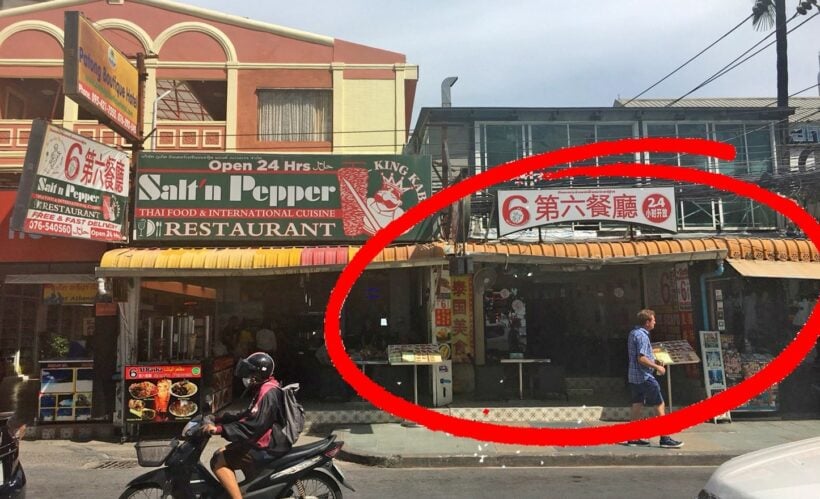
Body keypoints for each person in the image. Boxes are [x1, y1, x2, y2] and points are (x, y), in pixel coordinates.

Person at [203, 352, 292, 499]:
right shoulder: (267, 387)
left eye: (250, 372)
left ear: (259, 373)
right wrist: (221, 419)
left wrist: (219, 429)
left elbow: (254, 424)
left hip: (266, 445)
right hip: (265, 441)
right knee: (221, 452)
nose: (247, 376)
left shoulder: (267, 392)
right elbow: (248, 414)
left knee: (218, 461)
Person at [625, 309, 684, 449]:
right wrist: (657, 367)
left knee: (637, 404)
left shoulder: (633, 333)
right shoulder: (643, 336)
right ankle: (665, 437)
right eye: (653, 320)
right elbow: (641, 358)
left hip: (634, 376)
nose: (655, 322)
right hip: (644, 376)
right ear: (647, 322)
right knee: (659, 404)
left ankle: (632, 436)